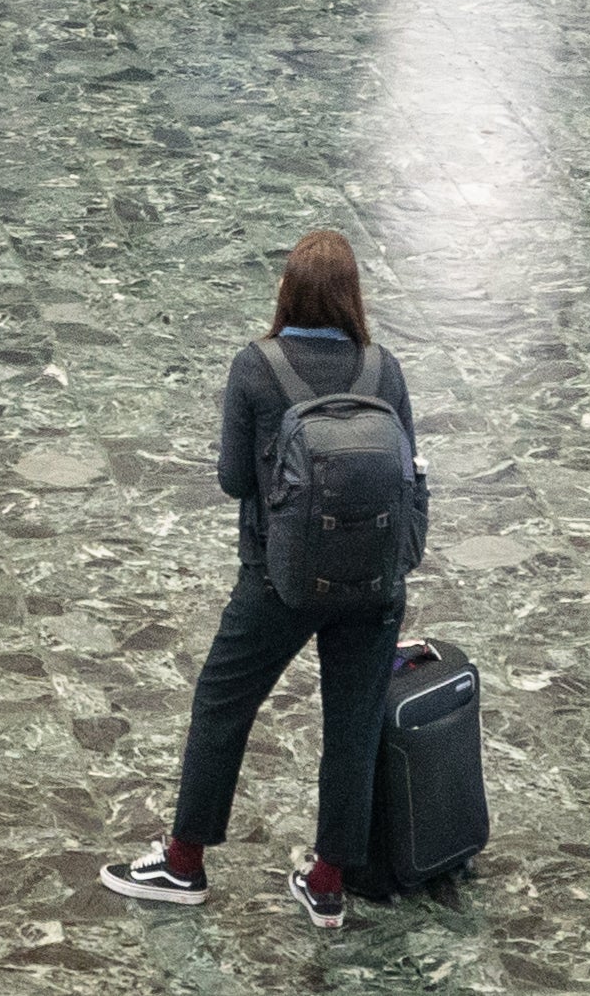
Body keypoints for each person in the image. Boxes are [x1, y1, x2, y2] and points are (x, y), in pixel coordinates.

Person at [97, 230, 424, 932]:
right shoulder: (382, 368)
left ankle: (183, 862)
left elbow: (232, 479)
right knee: (352, 723)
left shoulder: (257, 365)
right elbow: (408, 470)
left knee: (222, 702)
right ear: (352, 295)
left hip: (278, 577)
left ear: (287, 289)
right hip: (372, 584)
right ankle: (328, 882)